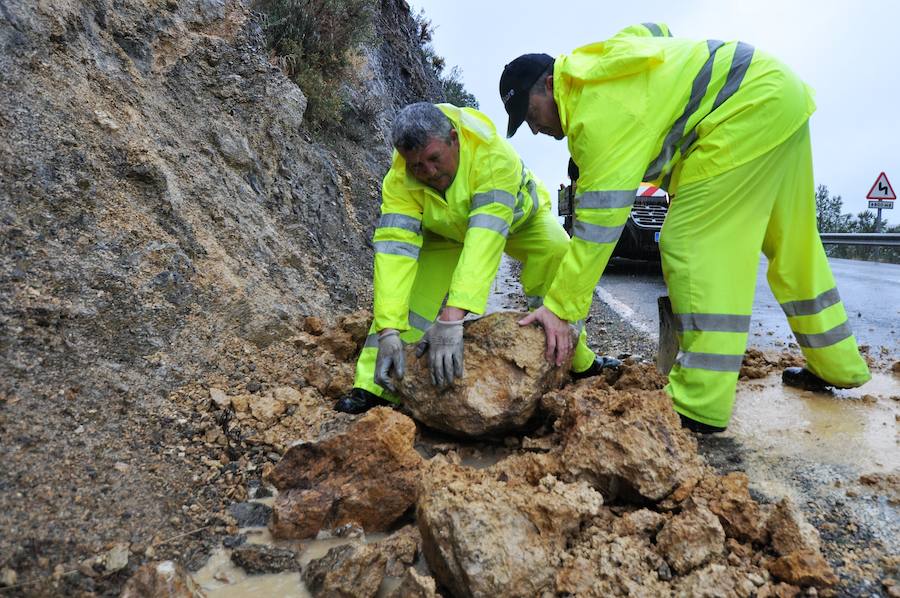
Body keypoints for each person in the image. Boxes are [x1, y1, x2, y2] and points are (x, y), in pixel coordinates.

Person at [499, 23, 870, 432]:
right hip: (776, 92)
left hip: (745, 109)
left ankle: (699, 400)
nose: (535, 129)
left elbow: (598, 228)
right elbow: (655, 28)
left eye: (531, 115)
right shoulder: (602, 62)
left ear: (550, 85)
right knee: (794, 245)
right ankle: (837, 364)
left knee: (691, 243)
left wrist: (560, 309)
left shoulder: (594, 114)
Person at [335, 102, 619, 414]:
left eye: (434, 159)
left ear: (453, 139)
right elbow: (394, 253)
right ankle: (373, 386)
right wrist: (389, 329)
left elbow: (485, 239)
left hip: (519, 222)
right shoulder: (399, 179)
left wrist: (452, 317)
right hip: (445, 233)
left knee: (557, 254)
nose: (428, 173)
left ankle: (578, 363)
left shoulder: (493, 157)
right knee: (411, 301)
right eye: (417, 166)